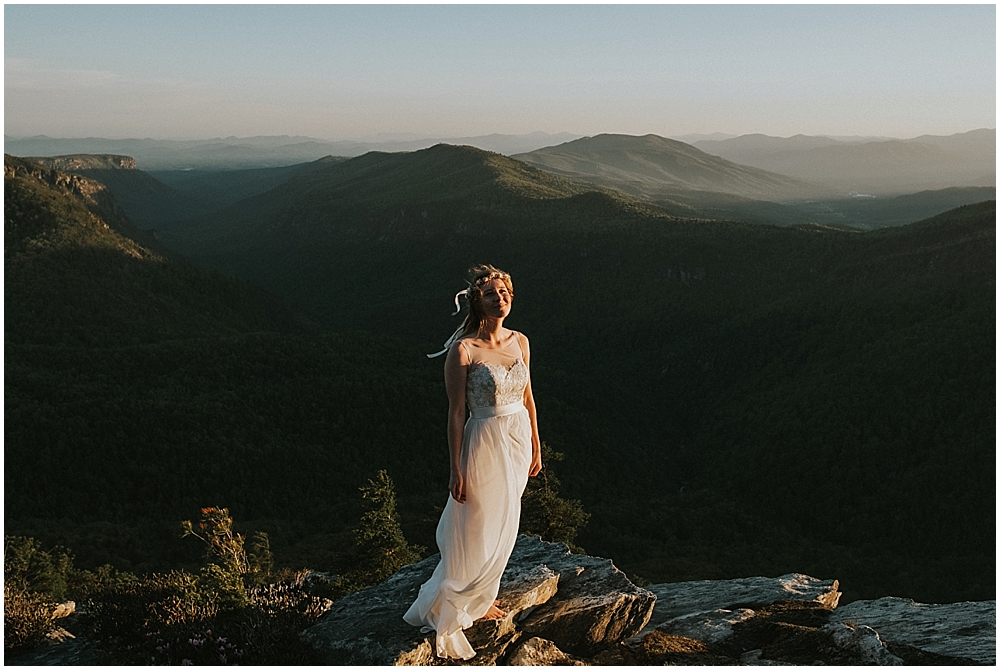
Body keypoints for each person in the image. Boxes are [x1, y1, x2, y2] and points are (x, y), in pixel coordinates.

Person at [403, 264, 543, 660]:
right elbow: (455, 412)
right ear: (478, 303)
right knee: (479, 516)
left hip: (515, 438)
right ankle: (468, 597)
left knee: (506, 517)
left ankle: (485, 593)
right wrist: (455, 469)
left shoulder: (521, 342)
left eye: (504, 293)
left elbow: (529, 397)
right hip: (483, 438)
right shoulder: (462, 350)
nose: (500, 299)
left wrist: (536, 443)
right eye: (491, 294)